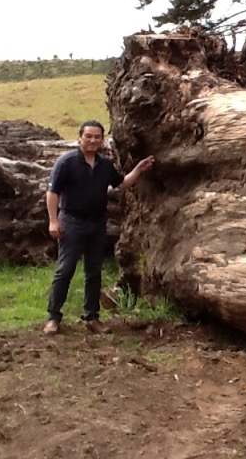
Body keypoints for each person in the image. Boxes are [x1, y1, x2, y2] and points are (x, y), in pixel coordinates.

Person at [43, 120, 154, 335]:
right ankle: (53, 317)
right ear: (80, 138)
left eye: (97, 137)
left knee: (94, 272)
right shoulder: (66, 162)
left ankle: (92, 317)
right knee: (65, 270)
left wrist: (139, 170)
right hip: (71, 222)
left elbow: (121, 184)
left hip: (97, 224)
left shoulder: (105, 165)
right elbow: (52, 193)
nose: (93, 140)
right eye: (89, 136)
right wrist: (53, 221)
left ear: (103, 140)